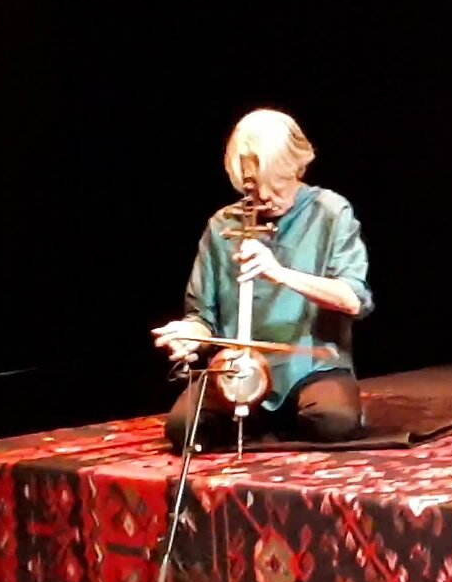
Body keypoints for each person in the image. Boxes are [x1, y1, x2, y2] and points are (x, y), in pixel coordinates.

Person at [152, 108, 375, 451]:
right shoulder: (221, 226)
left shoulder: (331, 212)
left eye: (277, 184)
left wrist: (279, 273)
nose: (265, 198)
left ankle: (275, 419)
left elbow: (352, 299)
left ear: (297, 167)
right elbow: (202, 318)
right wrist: (189, 335)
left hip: (310, 367)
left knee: (333, 421)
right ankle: (263, 419)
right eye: (253, 189)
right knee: (183, 429)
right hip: (236, 372)